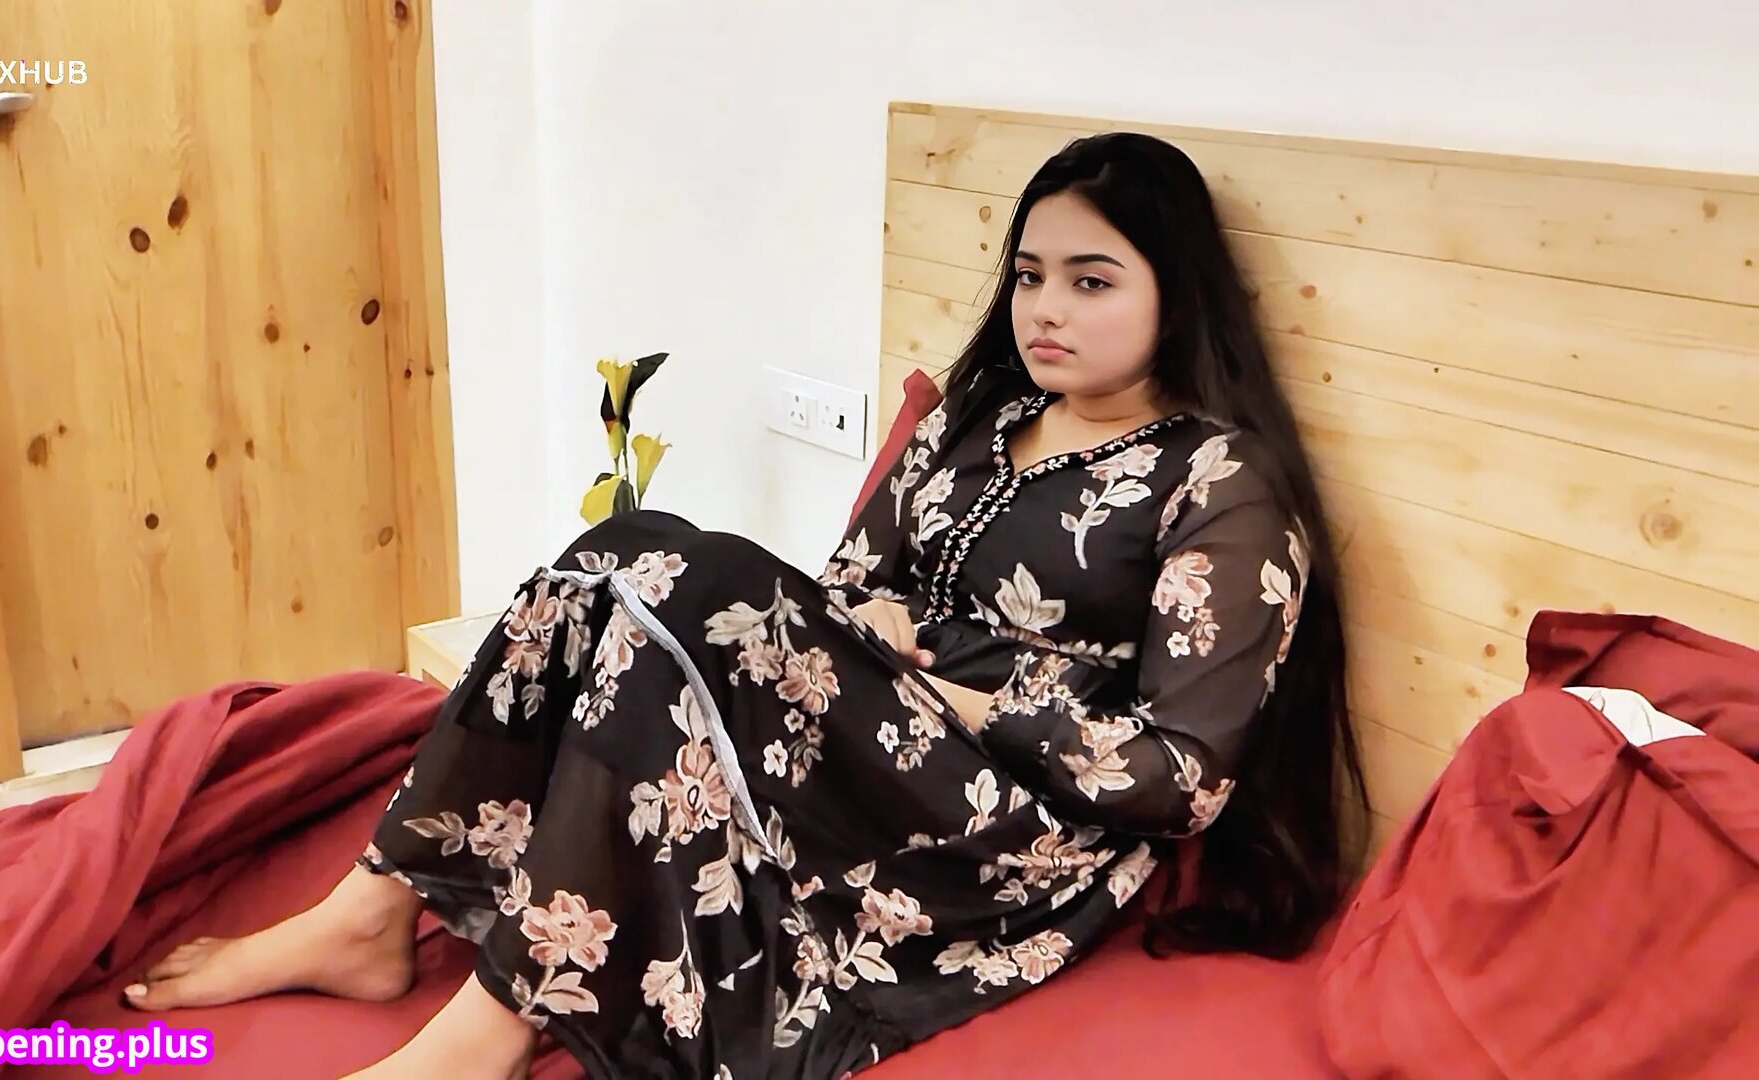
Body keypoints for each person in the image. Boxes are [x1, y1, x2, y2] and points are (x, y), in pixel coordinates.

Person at [122, 131, 1366, 1079]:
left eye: (1094, 281)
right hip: (883, 739)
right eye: (1032, 274)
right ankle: (369, 912)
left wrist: (952, 695)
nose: (1045, 308)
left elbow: (1181, 777)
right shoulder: (984, 417)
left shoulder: (1221, 479)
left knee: (705, 576)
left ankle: (481, 1039)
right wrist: (872, 639)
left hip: (1013, 825)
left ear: (1174, 295)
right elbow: (850, 586)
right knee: (630, 545)